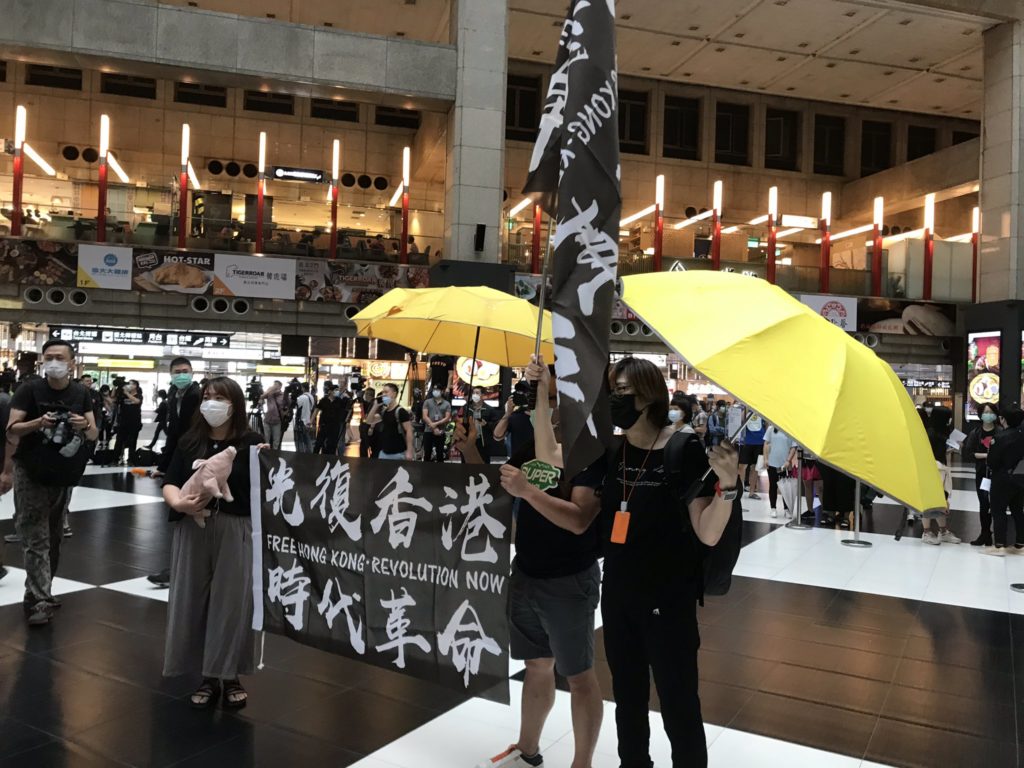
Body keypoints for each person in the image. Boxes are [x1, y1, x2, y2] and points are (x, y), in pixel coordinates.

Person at [463, 357, 603, 768]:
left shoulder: (591, 451)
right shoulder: (531, 445)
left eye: (555, 383)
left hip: (568, 579)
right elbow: (496, 490)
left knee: (578, 676)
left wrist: (528, 492)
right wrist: (471, 447)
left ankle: (583, 763)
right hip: (526, 573)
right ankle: (528, 749)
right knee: (536, 665)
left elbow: (579, 520)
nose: (549, 395)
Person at [600, 357, 739, 768]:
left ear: (648, 395)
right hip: (619, 594)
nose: (615, 399)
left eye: (622, 391)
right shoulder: (612, 449)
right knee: (627, 701)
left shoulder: (682, 449)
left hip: (668, 602)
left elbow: (707, 532)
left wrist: (728, 486)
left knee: (678, 706)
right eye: (613, 391)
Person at [161, 377, 262, 709]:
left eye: (220, 397)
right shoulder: (191, 441)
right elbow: (171, 481)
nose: (212, 403)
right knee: (191, 598)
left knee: (233, 601)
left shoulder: (252, 443)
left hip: (236, 528)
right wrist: (178, 503)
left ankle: (229, 672)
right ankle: (205, 674)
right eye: (207, 396)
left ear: (235, 404)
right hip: (193, 527)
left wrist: (268, 462)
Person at [1, 340, 98, 625]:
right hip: (30, 472)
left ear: (71, 362)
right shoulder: (29, 389)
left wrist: (84, 425)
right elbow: (13, 428)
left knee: (54, 537)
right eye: (48, 357)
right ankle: (38, 597)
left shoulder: (81, 393)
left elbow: (93, 434)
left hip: (64, 474)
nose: (53, 362)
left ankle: (41, 591)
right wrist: (38, 423)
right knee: (35, 535)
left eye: (59, 357)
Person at [148, 357, 203, 588]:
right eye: (177, 371)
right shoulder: (173, 395)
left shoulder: (198, 395)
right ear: (171, 374)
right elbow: (173, 431)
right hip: (182, 455)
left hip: (198, 456)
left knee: (197, 513)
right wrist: (164, 465)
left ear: (192, 372)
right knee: (182, 513)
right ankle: (180, 567)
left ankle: (187, 568)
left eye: (185, 371)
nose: (182, 375)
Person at [983, 406, 1024, 556]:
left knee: (998, 510)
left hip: (1002, 478)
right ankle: (1020, 544)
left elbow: (992, 461)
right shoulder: (1022, 435)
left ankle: (999, 545)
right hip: (1020, 477)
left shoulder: (999, 438)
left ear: (1003, 419)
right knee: (1018, 510)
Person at [921, 406, 961, 545]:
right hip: (932, 470)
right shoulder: (930, 433)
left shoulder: (940, 431)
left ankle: (943, 531)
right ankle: (926, 532)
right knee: (930, 501)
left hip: (941, 469)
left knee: (941, 501)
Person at [963, 403, 999, 547]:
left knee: (995, 504)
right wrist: (986, 455)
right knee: (984, 504)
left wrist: (987, 456)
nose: (988, 415)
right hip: (981, 473)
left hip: (997, 473)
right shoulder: (975, 433)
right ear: (980, 415)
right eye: (985, 412)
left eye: (991, 412)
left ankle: (995, 533)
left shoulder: (1000, 432)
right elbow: (967, 453)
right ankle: (985, 533)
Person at [368, 383, 414, 460]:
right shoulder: (384, 411)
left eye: (386, 392)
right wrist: (375, 406)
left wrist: (409, 451)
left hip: (398, 453)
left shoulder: (401, 412)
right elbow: (369, 421)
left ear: (394, 394)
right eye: (383, 392)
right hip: (384, 452)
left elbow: (409, 431)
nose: (383, 395)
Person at [493, 381, 535, 458]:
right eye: (520, 392)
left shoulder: (546, 415)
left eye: (527, 393)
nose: (523, 395)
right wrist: (508, 413)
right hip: (518, 462)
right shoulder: (516, 416)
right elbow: (497, 436)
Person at [763, 424, 795, 517]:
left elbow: (793, 447)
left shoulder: (790, 430)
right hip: (772, 463)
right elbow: (766, 443)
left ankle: (787, 509)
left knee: (785, 487)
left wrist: (788, 460)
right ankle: (773, 508)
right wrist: (765, 459)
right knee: (773, 486)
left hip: (784, 464)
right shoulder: (771, 429)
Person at [113, 379, 143, 465]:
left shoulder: (139, 395)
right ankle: (116, 458)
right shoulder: (123, 395)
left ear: (136, 386)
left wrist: (127, 393)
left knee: (132, 440)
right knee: (119, 440)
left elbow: (137, 401)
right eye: (128, 384)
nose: (129, 385)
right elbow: (114, 400)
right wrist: (115, 388)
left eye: (132, 384)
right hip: (123, 421)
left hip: (134, 421)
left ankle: (131, 459)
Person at [465, 386, 496, 464]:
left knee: (484, 463)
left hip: (483, 442)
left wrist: (486, 424)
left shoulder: (490, 409)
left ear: (482, 395)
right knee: (468, 463)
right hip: (469, 441)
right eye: (473, 393)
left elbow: (495, 425)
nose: (474, 395)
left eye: (477, 393)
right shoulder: (466, 408)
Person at [738, 411, 766, 499]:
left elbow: (767, 424)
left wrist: (766, 441)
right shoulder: (746, 410)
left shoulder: (762, 411)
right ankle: (740, 490)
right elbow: (740, 419)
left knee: (755, 467)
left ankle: (752, 492)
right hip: (746, 441)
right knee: (742, 466)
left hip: (760, 441)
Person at [313, 385, 347, 455]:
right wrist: (311, 421)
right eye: (335, 390)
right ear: (330, 391)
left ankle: (331, 459)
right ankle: (314, 457)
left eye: (338, 390)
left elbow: (346, 409)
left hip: (335, 426)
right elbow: (316, 410)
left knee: (332, 444)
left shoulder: (339, 401)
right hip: (324, 425)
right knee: (319, 442)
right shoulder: (323, 400)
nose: (337, 392)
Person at [422, 387, 452, 462]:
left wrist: (436, 424)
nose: (435, 391)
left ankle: (440, 472)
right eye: (434, 390)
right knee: (427, 453)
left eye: (437, 390)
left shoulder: (447, 403)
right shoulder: (427, 402)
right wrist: (433, 427)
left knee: (440, 453)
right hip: (428, 430)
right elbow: (425, 416)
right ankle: (426, 471)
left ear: (442, 391)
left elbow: (447, 417)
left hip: (441, 431)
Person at [260, 380, 288, 450]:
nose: (274, 386)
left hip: (277, 421)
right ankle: (267, 454)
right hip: (267, 420)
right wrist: (269, 389)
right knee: (266, 439)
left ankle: (274, 455)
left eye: (276, 385)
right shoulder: (269, 394)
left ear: (280, 386)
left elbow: (288, 405)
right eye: (274, 384)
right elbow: (262, 397)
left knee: (276, 440)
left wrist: (285, 413)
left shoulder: (283, 395)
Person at [293, 383, 316, 454]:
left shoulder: (302, 397)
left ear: (302, 388)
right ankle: (309, 454)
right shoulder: (311, 397)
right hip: (307, 420)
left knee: (300, 440)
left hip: (301, 421)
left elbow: (294, 405)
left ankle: (300, 454)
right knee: (307, 439)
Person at [358, 387, 377, 458]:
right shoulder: (367, 403)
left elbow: (368, 416)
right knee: (364, 445)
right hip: (364, 427)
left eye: (365, 394)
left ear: (368, 395)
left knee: (366, 446)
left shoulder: (374, 404)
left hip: (368, 428)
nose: (364, 396)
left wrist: (371, 427)